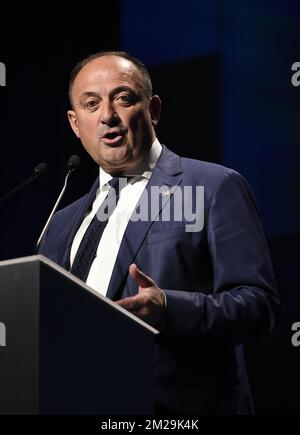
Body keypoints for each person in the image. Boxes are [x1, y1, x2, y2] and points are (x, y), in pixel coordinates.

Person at [39, 51, 280, 415]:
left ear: (152, 109)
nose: (108, 115)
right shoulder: (60, 223)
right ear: (75, 123)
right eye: (91, 104)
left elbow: (259, 307)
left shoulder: (213, 187)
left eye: (123, 98)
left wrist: (169, 308)